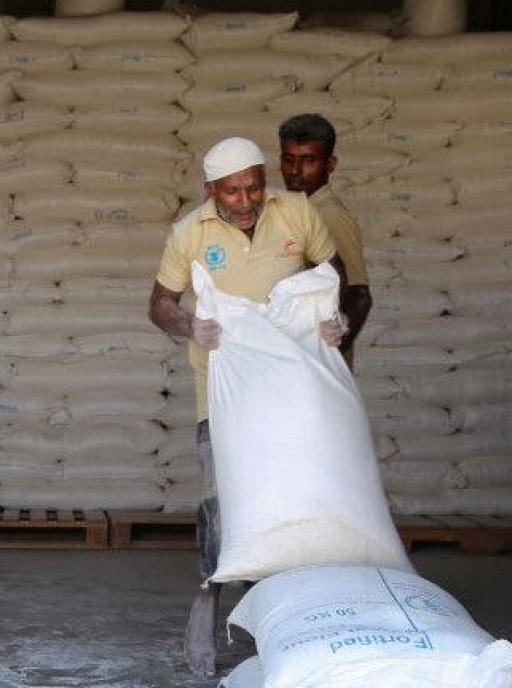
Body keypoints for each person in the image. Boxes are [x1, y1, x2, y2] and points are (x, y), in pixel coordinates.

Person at [147, 137, 348, 676]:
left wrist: (336, 319)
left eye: (254, 185)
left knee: (293, 505)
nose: (244, 200)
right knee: (221, 506)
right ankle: (210, 601)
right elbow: (160, 302)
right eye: (232, 191)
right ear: (210, 190)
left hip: (291, 393)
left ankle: (288, 624)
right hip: (222, 394)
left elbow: (336, 274)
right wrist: (191, 325)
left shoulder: (298, 214)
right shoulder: (189, 234)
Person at [279, 113, 373, 368]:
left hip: (320, 364)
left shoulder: (329, 215)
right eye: (289, 160)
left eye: (309, 161)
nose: (296, 172)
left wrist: (331, 350)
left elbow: (359, 294)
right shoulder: (300, 211)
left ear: (330, 164)